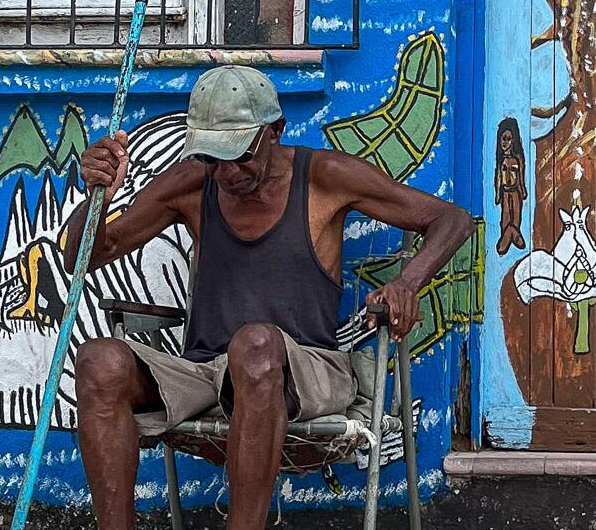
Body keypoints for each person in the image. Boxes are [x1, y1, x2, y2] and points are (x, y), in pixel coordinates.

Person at [62, 65, 472, 530]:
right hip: (206, 372)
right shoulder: (192, 184)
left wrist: (406, 282)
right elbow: (87, 257)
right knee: (98, 360)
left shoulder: (324, 177)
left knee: (255, 345)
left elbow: (451, 221)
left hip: (307, 369)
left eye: (240, 155)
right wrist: (94, 194)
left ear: (275, 131)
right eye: (213, 159)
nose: (228, 173)